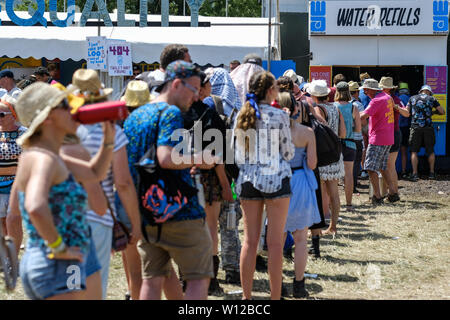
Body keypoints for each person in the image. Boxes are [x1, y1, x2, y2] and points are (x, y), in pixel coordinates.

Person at [12, 82, 115, 300]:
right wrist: (59, 248)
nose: (73, 109)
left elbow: (95, 172)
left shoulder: (47, 155)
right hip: (57, 264)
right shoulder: (44, 159)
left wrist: (108, 139)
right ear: (47, 117)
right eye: (64, 105)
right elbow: (35, 206)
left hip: (57, 263)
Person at [124, 60, 217, 300]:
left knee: (152, 280)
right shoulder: (171, 113)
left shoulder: (135, 116)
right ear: (176, 84)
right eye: (194, 90)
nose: (196, 97)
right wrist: (200, 158)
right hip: (180, 211)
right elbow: (165, 158)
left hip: (147, 213)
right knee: (198, 279)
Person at [71, 69, 143, 299]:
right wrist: (134, 222)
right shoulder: (112, 133)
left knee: (71, 285)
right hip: (97, 218)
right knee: (94, 287)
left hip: (65, 218)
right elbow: (122, 183)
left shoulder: (64, 129)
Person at [233, 70, 294, 300]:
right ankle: (275, 297)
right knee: (275, 244)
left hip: (248, 180)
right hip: (276, 179)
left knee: (249, 241)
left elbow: (235, 153)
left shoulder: (241, 115)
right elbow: (288, 153)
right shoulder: (279, 116)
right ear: (270, 90)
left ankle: (246, 297)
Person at [182, 71, 233, 296]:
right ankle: (211, 280)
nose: (211, 87)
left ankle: (186, 277)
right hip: (210, 177)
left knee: (187, 228)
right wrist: (224, 183)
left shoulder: (176, 114)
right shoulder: (211, 115)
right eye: (208, 84)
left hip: (181, 175)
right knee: (211, 227)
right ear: (201, 88)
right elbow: (221, 155)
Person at [278, 91, 320, 298]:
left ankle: (277, 283)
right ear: (296, 109)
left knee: (277, 238)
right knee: (301, 238)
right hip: (300, 182)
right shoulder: (307, 132)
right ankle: (299, 284)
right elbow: (312, 164)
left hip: (278, 183)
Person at [309, 80, 345, 236]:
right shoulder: (336, 109)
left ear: (314, 95)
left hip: (321, 154)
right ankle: (333, 227)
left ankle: (317, 227)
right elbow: (342, 133)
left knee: (318, 193)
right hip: (335, 154)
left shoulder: (318, 109)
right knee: (334, 193)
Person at [359, 79, 397, 204]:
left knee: (370, 167)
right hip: (388, 137)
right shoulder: (387, 97)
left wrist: (348, 114)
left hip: (378, 138)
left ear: (371, 90)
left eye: (365, 89)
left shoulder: (376, 100)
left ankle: (377, 196)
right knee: (382, 166)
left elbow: (363, 116)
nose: (364, 92)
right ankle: (392, 193)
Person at [379, 77, 410, 200]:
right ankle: (390, 192)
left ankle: (393, 193)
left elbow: (407, 113)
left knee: (389, 165)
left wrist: (395, 106)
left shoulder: (396, 99)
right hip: (387, 134)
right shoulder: (380, 99)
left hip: (393, 133)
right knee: (386, 165)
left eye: (381, 88)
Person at [407, 85, 445, 181]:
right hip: (428, 127)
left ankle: (415, 174)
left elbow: (407, 112)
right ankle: (431, 173)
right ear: (429, 92)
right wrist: (434, 112)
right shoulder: (432, 98)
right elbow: (442, 111)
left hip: (415, 127)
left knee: (414, 151)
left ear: (421, 91)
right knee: (430, 151)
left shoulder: (412, 98)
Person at [0, 97, 26, 234]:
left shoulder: (24, 133)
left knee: (13, 220)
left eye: (1, 114)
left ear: (13, 115)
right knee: (2, 222)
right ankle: (5, 252)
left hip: (16, 185)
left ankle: (13, 252)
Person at [334, 82, 361, 210]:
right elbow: (358, 130)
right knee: (348, 175)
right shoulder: (353, 107)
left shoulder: (333, 106)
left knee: (334, 175)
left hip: (335, 144)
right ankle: (349, 204)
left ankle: (333, 203)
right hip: (350, 143)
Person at [349, 81, 366, 192]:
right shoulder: (358, 105)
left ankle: (346, 183)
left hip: (345, 136)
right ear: (357, 92)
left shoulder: (341, 103)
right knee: (355, 162)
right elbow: (363, 122)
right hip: (357, 137)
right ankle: (353, 185)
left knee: (347, 162)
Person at [397, 82, 412, 179]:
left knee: (391, 152)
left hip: (395, 128)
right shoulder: (411, 98)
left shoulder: (395, 98)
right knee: (404, 150)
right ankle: (403, 171)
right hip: (406, 127)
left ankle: (392, 171)